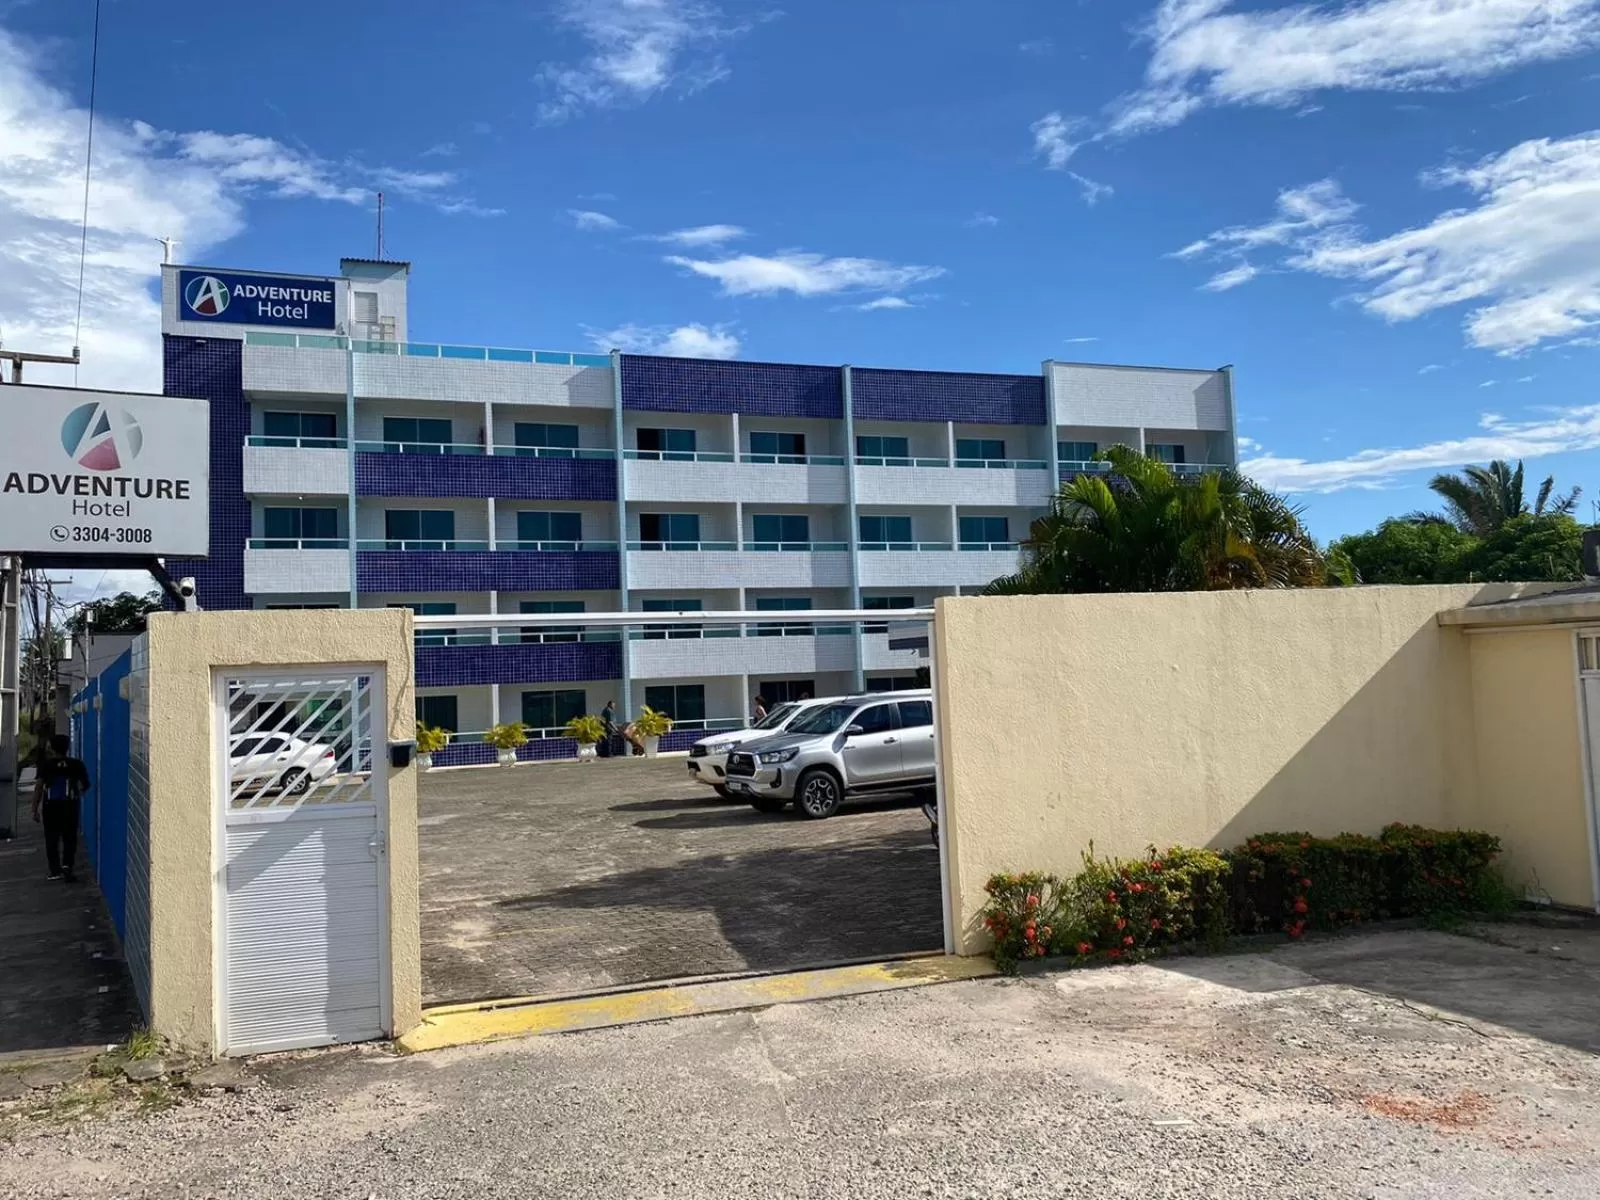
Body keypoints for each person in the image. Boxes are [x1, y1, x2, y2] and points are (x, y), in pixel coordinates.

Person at [32, 734, 90, 883]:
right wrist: (78, 794)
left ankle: (55, 870)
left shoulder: (46, 765)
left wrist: (34, 808)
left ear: (52, 748)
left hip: (51, 806)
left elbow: (39, 786)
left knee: (51, 838)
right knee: (69, 837)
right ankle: (67, 866)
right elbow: (85, 785)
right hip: (70, 806)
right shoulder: (77, 764)